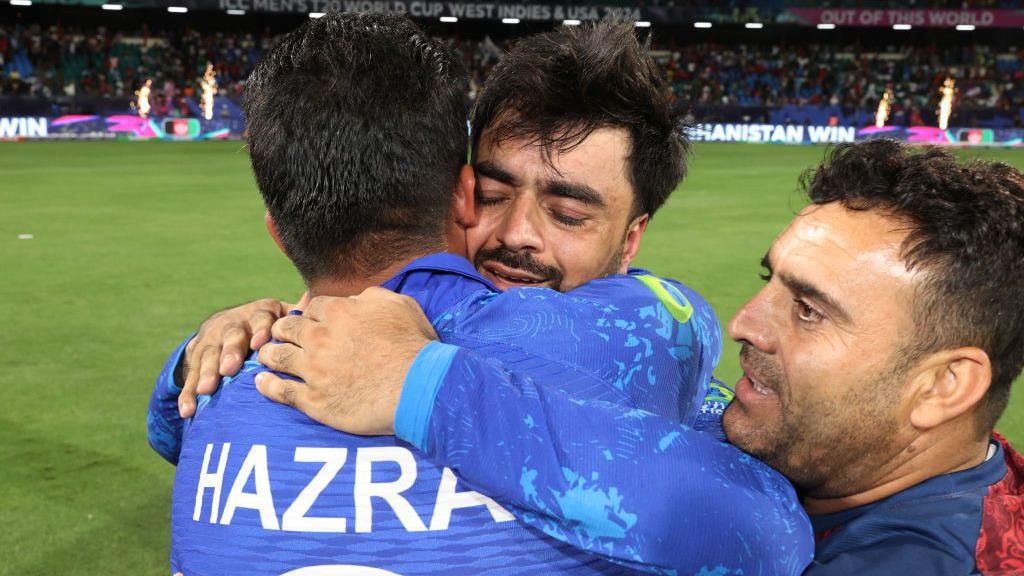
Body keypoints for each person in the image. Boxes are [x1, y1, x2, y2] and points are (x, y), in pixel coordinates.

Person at [148, 14, 812, 576]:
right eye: (495, 195)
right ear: (461, 191)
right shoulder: (640, 339)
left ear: (631, 240)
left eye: (569, 214)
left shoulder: (632, 336)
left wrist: (421, 384)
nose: (517, 235)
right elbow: (767, 528)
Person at [256, 140, 1024, 575]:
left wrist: (422, 385)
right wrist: (264, 330)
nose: (745, 323)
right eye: (771, 283)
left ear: (944, 386)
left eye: (810, 309)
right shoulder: (828, 446)